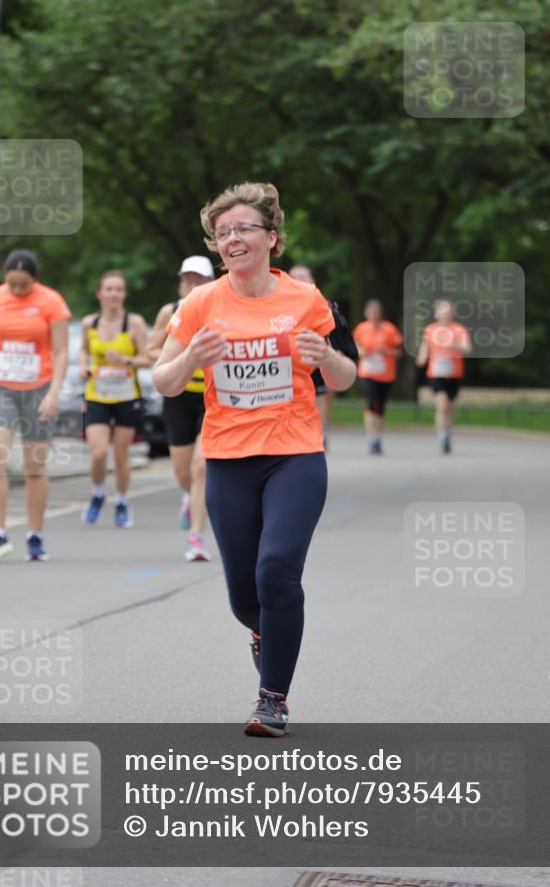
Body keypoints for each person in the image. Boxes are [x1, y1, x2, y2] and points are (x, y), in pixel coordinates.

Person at [153, 182, 356, 736]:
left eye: (243, 228)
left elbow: (345, 377)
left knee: (277, 571)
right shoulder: (200, 303)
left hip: (294, 454)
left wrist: (327, 356)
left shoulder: (305, 300)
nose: (232, 239)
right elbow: (164, 381)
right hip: (228, 458)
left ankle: (273, 700)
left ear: (271, 238)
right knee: (246, 595)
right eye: (223, 233)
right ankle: (266, 634)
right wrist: (190, 356)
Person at [0, 250, 70, 561]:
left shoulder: (52, 302)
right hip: (0, 386)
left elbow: (61, 352)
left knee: (34, 467)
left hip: (39, 388)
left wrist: (54, 392)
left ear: (34, 280)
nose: (18, 290)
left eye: (24, 285)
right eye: (12, 284)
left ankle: (35, 536)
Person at [148, 256, 214, 561]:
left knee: (200, 467)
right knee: (182, 472)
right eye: (188, 279)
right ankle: (188, 496)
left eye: (199, 280)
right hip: (177, 395)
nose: (192, 285)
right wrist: (179, 355)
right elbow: (150, 349)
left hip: (211, 398)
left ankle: (196, 538)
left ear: (211, 282)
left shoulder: (221, 308)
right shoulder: (170, 311)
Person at [80, 271, 150, 528]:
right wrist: (83, 366)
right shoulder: (90, 323)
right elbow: (84, 351)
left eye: (119, 290)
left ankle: (121, 500)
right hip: (97, 394)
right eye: (109, 289)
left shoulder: (134, 323)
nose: (113, 294)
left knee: (120, 454)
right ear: (99, 293)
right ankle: (98, 492)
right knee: (98, 452)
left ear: (124, 294)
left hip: (126, 395)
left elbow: (148, 358)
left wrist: (126, 361)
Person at [416, 299, 471, 453]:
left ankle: (447, 433)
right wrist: (422, 357)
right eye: (442, 312)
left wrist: (455, 345)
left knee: (450, 407)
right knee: (442, 404)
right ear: (436, 314)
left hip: (454, 373)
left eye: (448, 312)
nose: (445, 315)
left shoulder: (459, 329)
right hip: (436, 373)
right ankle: (442, 437)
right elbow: (425, 345)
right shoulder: (431, 329)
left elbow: (467, 348)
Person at [288, 265, 333, 447]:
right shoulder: (278, 302)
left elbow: (331, 331)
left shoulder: (320, 301)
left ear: (312, 280)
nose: (299, 279)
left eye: (303, 276)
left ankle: (322, 432)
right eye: (295, 276)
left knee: (322, 396)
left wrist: (331, 353)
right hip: (290, 360)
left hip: (315, 356)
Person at [353, 299, 403, 454]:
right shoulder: (361, 329)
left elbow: (399, 352)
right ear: (366, 313)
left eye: (376, 312)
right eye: (371, 312)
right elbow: (354, 346)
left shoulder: (389, 329)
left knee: (380, 406)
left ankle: (377, 437)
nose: (374, 315)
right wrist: (361, 351)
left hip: (385, 374)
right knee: (371, 402)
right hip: (367, 372)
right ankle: (371, 438)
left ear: (381, 314)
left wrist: (386, 351)